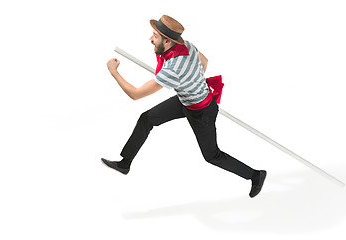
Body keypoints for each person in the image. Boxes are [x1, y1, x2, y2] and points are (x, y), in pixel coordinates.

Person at [102, 15, 267, 198]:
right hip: (185, 100)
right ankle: (125, 164)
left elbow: (135, 94)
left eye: (154, 36)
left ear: (167, 40)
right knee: (146, 118)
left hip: (202, 112)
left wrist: (114, 72)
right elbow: (204, 62)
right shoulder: (186, 45)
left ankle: (255, 175)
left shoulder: (172, 70)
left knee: (212, 156)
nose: (150, 39)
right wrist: (191, 81)